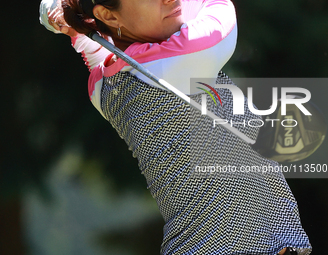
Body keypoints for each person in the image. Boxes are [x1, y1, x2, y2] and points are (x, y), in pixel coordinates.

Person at [40, 0, 312, 254]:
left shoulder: (103, 87)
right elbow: (218, 8)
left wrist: (69, 24)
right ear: (108, 14)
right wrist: (69, 20)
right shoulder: (174, 61)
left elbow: (95, 51)